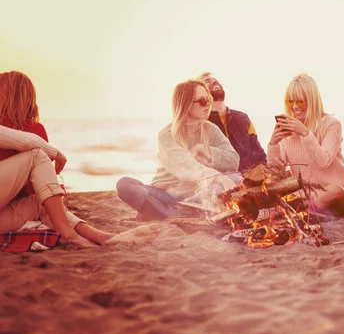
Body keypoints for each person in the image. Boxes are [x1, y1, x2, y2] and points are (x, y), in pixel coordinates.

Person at [0, 71, 158, 247]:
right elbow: (33, 186)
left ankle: (101, 237)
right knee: (39, 166)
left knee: (41, 204)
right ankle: (75, 235)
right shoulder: (34, 130)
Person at [116, 79, 240, 221]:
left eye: (208, 99)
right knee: (124, 184)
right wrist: (217, 176)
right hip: (165, 194)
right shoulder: (166, 135)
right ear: (186, 104)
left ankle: (176, 210)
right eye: (202, 101)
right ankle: (180, 212)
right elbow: (186, 166)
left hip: (198, 194)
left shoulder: (211, 129)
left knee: (236, 178)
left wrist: (205, 149)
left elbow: (233, 160)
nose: (208, 105)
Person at [267, 73, 344, 215]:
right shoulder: (288, 132)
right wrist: (273, 144)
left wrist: (305, 134)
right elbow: (276, 175)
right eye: (290, 101)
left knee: (334, 190)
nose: (295, 107)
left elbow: (323, 161)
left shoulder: (331, 125)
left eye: (300, 101)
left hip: (337, 196)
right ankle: (301, 210)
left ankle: (297, 210)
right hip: (307, 196)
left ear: (312, 100)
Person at [197, 72, 267, 173]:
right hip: (223, 184)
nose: (214, 81)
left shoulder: (243, 118)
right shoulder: (200, 125)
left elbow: (260, 156)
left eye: (215, 80)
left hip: (251, 183)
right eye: (207, 81)